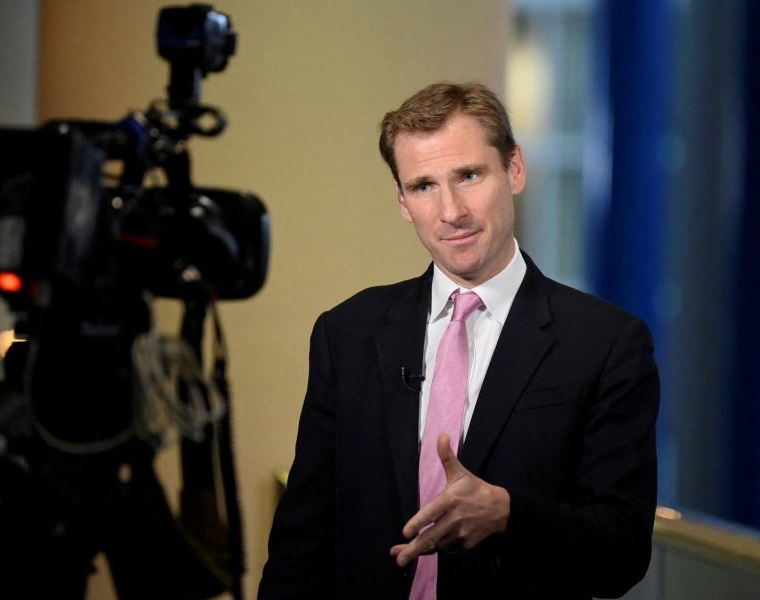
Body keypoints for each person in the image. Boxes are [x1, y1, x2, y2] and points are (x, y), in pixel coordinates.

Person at [258, 82, 659, 599]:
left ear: (514, 169)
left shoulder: (606, 343)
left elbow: (622, 553)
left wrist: (509, 515)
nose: (451, 211)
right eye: (424, 186)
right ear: (403, 201)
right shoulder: (348, 333)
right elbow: (301, 541)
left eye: (468, 176)